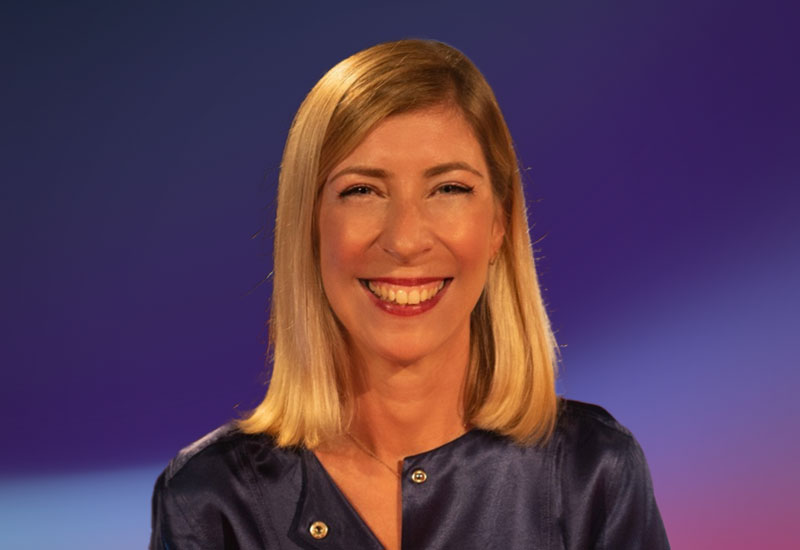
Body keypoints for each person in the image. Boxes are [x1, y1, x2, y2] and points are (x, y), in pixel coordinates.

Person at [150, 39, 669, 549]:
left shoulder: (593, 473)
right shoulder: (210, 501)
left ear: (499, 226)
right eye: (362, 191)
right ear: (309, 229)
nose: (404, 240)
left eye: (448, 189)